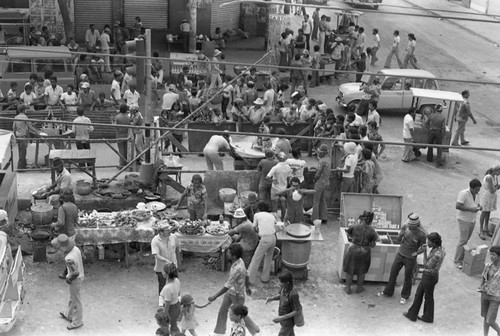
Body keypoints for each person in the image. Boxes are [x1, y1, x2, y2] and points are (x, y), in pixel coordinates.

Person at [209, 243, 260, 336]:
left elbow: (227, 285)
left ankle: (254, 330)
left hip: (237, 295)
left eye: (229, 253)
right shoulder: (240, 261)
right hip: (231, 292)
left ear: (234, 256)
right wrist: (247, 286)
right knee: (223, 310)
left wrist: (214, 296)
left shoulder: (237, 268)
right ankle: (219, 332)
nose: (227, 254)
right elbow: (247, 274)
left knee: (240, 314)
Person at [378, 213, 427, 304]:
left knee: (408, 277)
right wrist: (401, 233)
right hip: (400, 254)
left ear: (416, 225)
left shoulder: (421, 235)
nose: (409, 227)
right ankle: (388, 291)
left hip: (410, 259)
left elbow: (423, 248)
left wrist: (416, 253)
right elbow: (399, 240)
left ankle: (405, 296)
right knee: (393, 273)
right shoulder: (406, 228)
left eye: (411, 226)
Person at [403, 232, 445, 323]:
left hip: (429, 276)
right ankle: (424, 316)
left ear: (434, 242)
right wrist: (418, 252)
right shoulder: (439, 249)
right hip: (432, 276)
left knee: (423, 296)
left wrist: (425, 253)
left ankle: (414, 315)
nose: (427, 243)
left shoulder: (437, 254)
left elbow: (427, 265)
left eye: (429, 241)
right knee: (424, 296)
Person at [52, 234, 84, 330]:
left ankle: (77, 321)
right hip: (80, 277)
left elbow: (75, 273)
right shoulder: (75, 249)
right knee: (73, 297)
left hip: (76, 280)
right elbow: (82, 256)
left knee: (76, 300)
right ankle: (68, 315)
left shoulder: (69, 258)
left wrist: (68, 279)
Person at [343, 211, 379, 294]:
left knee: (350, 270)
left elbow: (348, 235)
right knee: (361, 271)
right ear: (370, 221)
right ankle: (359, 288)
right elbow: (373, 245)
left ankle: (348, 289)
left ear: (361, 218)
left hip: (353, 250)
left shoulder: (354, 226)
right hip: (365, 252)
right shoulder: (372, 231)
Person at [454, 178, 482, 269]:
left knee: (466, 240)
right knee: (463, 240)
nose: (478, 191)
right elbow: (458, 205)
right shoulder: (464, 193)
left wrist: (479, 207)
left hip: (472, 220)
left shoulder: (477, 194)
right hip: (464, 219)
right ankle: (457, 260)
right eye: (476, 189)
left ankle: (462, 257)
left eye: (479, 189)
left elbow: (476, 204)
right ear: (471, 188)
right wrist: (471, 209)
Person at [152, 221, 181, 307]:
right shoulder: (155, 241)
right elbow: (156, 254)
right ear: (161, 232)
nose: (169, 231)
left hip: (173, 265)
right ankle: (161, 300)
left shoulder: (173, 237)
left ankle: (177, 297)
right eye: (167, 230)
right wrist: (166, 261)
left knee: (175, 281)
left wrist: (178, 262)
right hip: (161, 267)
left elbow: (177, 248)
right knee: (162, 283)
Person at [248, 201, 277, 285]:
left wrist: (258, 231)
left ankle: (249, 279)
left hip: (265, 239)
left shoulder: (257, 215)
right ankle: (265, 278)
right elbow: (274, 223)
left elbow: (254, 227)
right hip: (273, 237)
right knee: (268, 257)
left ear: (258, 209)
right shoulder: (271, 216)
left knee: (256, 258)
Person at [266, 270, 303, 336]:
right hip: (283, 321)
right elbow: (281, 295)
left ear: (287, 283)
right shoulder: (283, 288)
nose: (278, 283)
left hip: (288, 322)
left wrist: (281, 318)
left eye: (280, 282)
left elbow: (297, 310)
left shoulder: (293, 294)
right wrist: (272, 298)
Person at [12, 105, 42, 169]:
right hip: (23, 136)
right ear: (24, 110)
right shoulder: (24, 117)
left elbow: (14, 128)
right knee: (23, 152)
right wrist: (37, 132)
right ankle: (20, 167)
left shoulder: (16, 117)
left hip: (18, 136)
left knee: (20, 151)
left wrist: (15, 135)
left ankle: (23, 164)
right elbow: (30, 127)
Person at [479, 245, 500, 336]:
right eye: (490, 254)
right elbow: (483, 277)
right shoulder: (488, 265)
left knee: (490, 320)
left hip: (495, 297)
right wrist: (480, 287)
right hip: (485, 294)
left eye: (494, 255)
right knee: (485, 317)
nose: (491, 257)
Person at [160, 263, 181, 334]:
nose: (162, 272)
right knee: (174, 325)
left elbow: (167, 303)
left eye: (163, 271)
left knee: (165, 327)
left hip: (170, 309)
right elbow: (178, 293)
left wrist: (164, 314)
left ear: (167, 274)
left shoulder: (167, 288)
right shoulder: (177, 281)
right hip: (176, 306)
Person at [312, 144, 331, 224]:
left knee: (316, 201)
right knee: (323, 200)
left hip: (320, 182)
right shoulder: (328, 159)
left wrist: (314, 178)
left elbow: (318, 173)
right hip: (326, 182)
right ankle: (324, 218)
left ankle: (314, 219)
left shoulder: (322, 160)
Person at [479, 166, 500, 239]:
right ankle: (481, 230)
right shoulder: (489, 177)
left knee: (488, 212)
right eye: (499, 172)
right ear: (496, 170)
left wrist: (497, 187)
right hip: (487, 197)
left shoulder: (494, 177)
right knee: (484, 212)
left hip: (491, 197)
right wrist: (497, 187)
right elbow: (492, 190)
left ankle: (486, 227)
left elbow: (495, 187)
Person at [114, 104, 131, 168]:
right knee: (125, 149)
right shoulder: (128, 117)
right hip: (126, 135)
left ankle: (121, 164)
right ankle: (126, 162)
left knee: (121, 150)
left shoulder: (117, 117)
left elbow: (115, 127)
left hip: (119, 135)